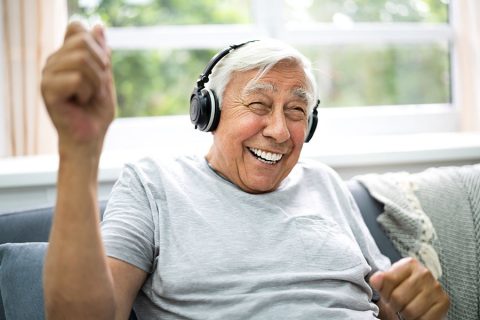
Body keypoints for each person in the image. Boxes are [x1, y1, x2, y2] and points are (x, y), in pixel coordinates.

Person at [41, 21, 450, 320]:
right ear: (209, 113)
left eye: (296, 111)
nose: (279, 131)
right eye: (258, 105)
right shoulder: (153, 183)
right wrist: (79, 151)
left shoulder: (324, 182)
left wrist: (411, 306)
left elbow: (386, 304)